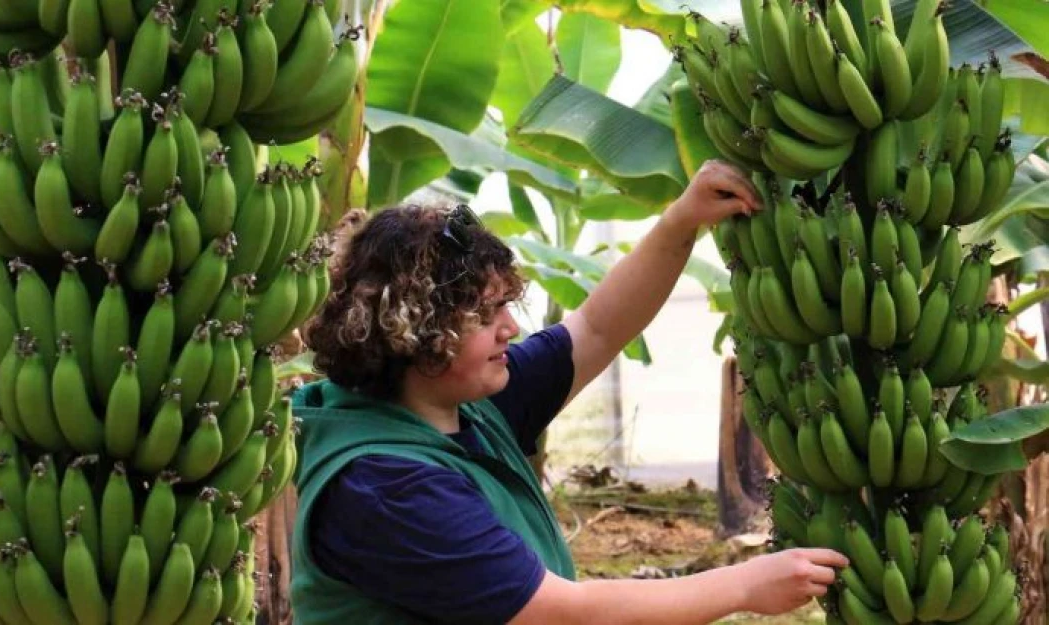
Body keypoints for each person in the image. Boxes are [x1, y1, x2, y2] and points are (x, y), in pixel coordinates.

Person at [289, 160, 849, 624]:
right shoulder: (384, 486)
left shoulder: (460, 406)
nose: (509, 327)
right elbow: (560, 614)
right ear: (412, 331)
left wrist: (684, 220)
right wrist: (744, 586)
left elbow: (596, 329)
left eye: (505, 305)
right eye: (484, 314)